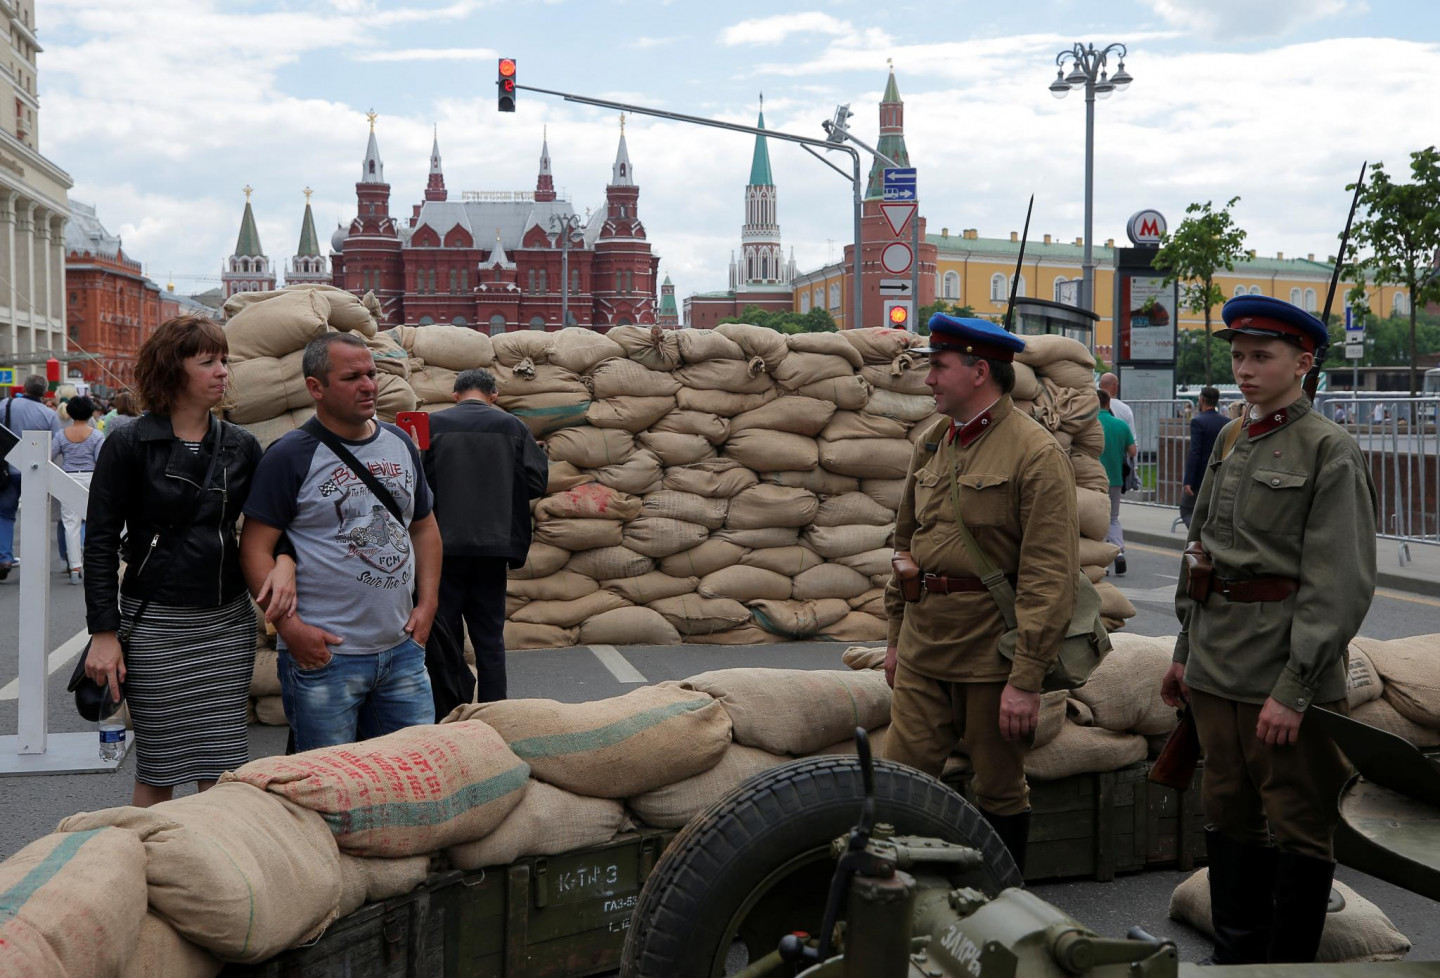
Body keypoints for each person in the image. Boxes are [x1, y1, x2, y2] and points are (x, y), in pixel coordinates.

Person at [1161, 295, 1377, 965]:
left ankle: (1286, 971)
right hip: (1216, 664)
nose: (1245, 369)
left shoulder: (1329, 450)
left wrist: (1297, 686)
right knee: (1226, 811)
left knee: (1298, 824)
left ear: (1304, 363)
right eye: (1238, 356)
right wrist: (1184, 651)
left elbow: (1338, 584)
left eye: (1262, 356)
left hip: (1280, 672)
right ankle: (1237, 960)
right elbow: (1199, 551)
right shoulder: (1231, 436)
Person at [882, 314, 1079, 873]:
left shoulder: (1034, 453)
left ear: (979, 372)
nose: (928, 380)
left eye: (940, 368)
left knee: (998, 790)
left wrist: (1026, 677)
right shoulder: (932, 443)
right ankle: (905, 903)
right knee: (900, 785)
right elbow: (904, 547)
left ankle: (1002, 901)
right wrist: (895, 639)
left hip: (992, 658)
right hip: (924, 648)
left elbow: (1049, 576)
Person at [82, 315, 295, 808]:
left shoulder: (240, 445)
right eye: (207, 362)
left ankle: (214, 854)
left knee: (222, 763)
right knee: (159, 764)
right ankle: (148, 851)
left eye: (224, 360)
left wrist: (285, 560)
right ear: (171, 368)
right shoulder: (129, 443)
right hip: (154, 624)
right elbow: (99, 542)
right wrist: (104, 632)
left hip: (227, 623)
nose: (222, 371)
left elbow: (273, 523)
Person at [240, 332, 442, 751]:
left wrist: (428, 606)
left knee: (412, 769)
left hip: (402, 651)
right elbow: (255, 548)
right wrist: (292, 631)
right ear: (316, 387)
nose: (368, 385)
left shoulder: (399, 443)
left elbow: (424, 526)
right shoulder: (290, 455)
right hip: (327, 658)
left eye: (371, 374)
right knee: (328, 778)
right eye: (352, 377)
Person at [422, 368, 547, 706]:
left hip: (442, 550)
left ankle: (451, 709)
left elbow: (413, 487)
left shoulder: (431, 425)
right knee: (489, 638)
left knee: (446, 636)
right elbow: (537, 482)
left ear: (455, 395)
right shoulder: (514, 427)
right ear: (494, 395)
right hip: (494, 548)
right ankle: (494, 709)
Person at [0, 376, 63, 581]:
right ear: (44, 392)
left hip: (6, 470)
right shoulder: (49, 414)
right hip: (35, 471)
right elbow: (55, 444)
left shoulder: (6, 405)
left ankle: (4, 557)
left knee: (4, 515)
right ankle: (34, 560)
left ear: (25, 387)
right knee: (35, 516)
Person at [51, 395, 104, 583]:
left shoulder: (61, 435)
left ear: (70, 413)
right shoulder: (97, 435)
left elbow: (49, 455)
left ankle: (75, 567)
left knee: (70, 524)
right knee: (94, 523)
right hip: (91, 479)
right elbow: (101, 461)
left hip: (69, 478)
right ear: (90, 412)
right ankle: (93, 563)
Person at [1096, 389, 1136, 575]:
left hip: (1094, 480)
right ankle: (1118, 552)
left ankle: (1102, 561)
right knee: (1113, 517)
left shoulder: (1089, 424)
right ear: (1108, 404)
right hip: (1116, 479)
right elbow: (1132, 451)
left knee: (1096, 519)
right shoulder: (1120, 425)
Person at [1180, 387, 1227, 528]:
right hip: (1222, 472)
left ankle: (1198, 536)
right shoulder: (1226, 422)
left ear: (1201, 400)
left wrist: (1188, 480)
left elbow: (1195, 451)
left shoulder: (1198, 422)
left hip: (1201, 474)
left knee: (1187, 510)